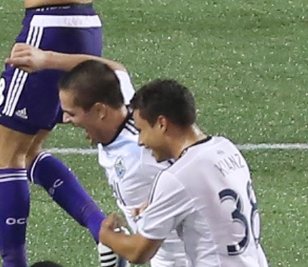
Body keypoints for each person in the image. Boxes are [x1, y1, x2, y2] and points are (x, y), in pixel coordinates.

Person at [0, 0, 108, 266]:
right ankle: (103, 231)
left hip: (49, 27)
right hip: (86, 23)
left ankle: (14, 264)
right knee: (29, 151)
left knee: (6, 153)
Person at [7, 43, 189, 267]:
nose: (65, 120)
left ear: (100, 111)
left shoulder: (141, 153)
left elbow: (194, 175)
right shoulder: (123, 98)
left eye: (72, 113)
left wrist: (109, 238)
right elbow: (114, 68)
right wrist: (46, 60)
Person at [99, 80, 269, 267]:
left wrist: (106, 236)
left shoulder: (177, 177)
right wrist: (158, 206)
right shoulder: (226, 148)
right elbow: (209, 205)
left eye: (142, 130)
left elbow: (138, 252)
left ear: (162, 124)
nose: (140, 141)